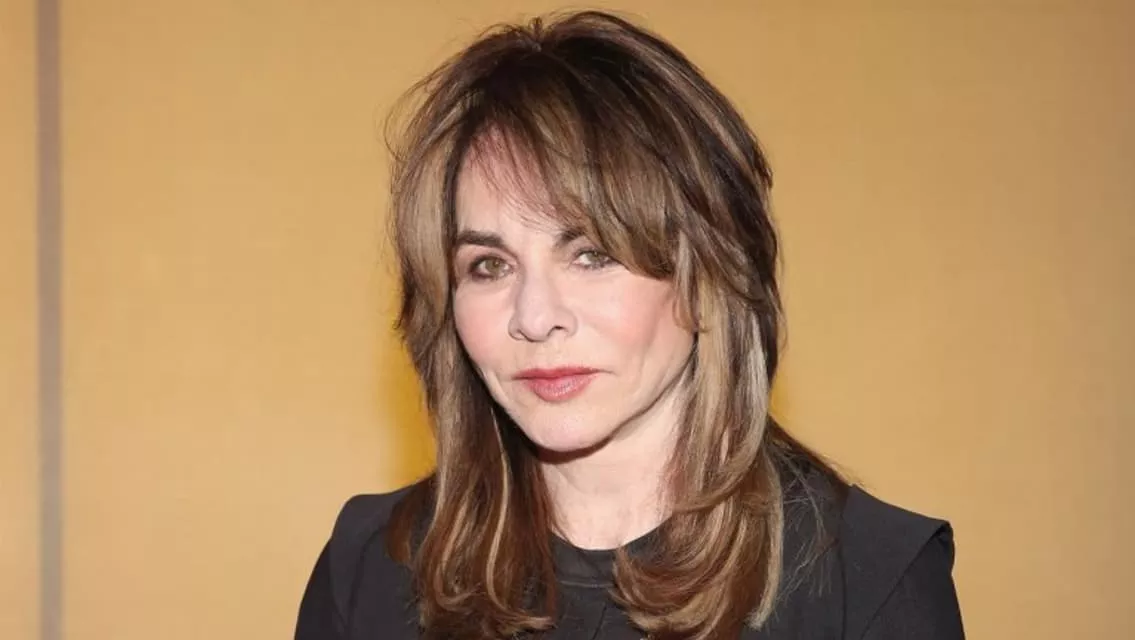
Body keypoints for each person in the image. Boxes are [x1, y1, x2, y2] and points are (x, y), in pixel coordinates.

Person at [295, 10, 964, 640]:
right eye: (489, 266)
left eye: (591, 254)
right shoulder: (371, 568)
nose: (535, 318)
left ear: (707, 271)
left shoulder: (868, 586)